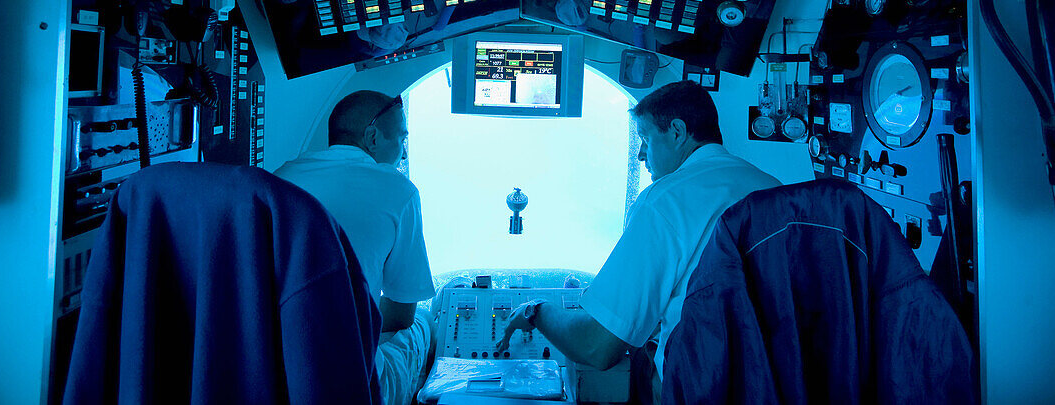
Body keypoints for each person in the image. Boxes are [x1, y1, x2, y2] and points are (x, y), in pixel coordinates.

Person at [495, 80, 781, 402]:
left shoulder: (664, 202)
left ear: (676, 132)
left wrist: (537, 311)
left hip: (705, 387)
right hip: (783, 381)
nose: (642, 153)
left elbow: (598, 346)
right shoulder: (773, 187)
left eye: (645, 138)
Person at [275, 90, 435, 405]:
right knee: (424, 321)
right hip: (351, 381)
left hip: (276, 366)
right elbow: (402, 314)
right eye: (401, 140)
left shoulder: (279, 177)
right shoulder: (399, 191)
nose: (402, 152)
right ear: (372, 137)